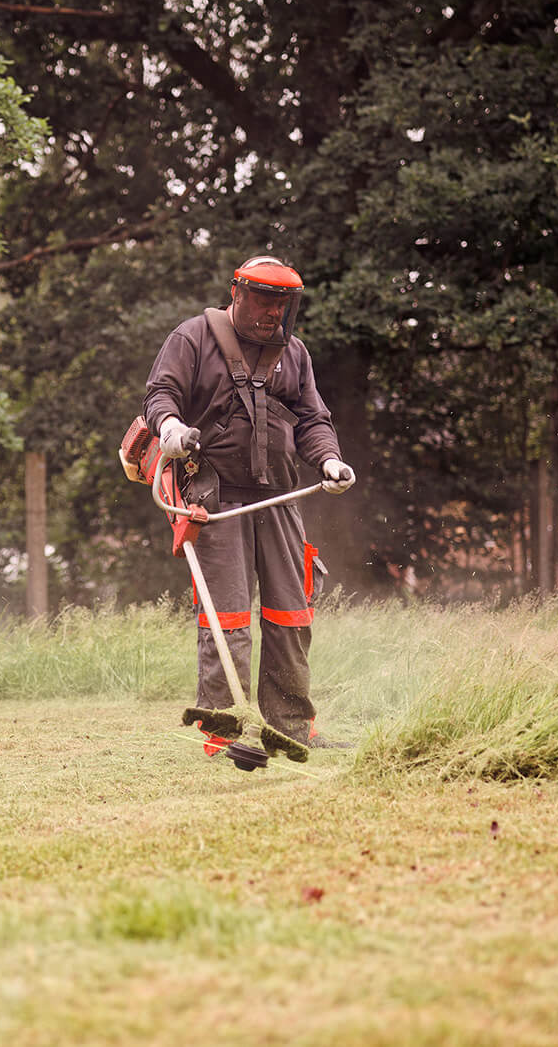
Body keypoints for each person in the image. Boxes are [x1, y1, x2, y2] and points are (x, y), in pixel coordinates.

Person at [143, 255, 355, 753]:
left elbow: (313, 420)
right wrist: (170, 428)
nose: (271, 314)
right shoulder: (193, 338)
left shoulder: (295, 354)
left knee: (290, 615)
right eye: (262, 301)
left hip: (280, 498)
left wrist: (329, 462)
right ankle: (224, 731)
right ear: (236, 295)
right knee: (228, 620)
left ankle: (289, 729)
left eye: (281, 305)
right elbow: (160, 394)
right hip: (214, 499)